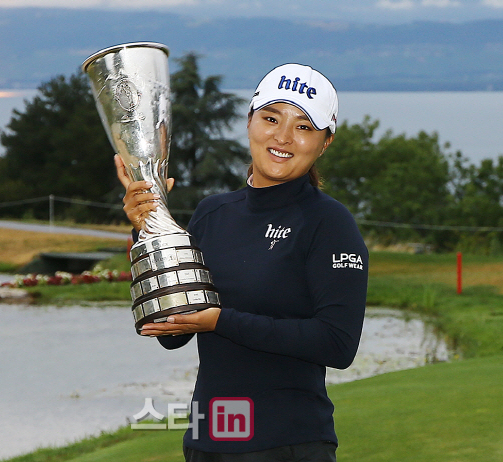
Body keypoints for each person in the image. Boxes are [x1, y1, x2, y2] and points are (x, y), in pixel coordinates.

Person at [115, 63, 368, 462]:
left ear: (325, 143)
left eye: (303, 127)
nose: (282, 136)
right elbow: (171, 333)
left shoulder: (329, 222)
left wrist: (220, 321)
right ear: (250, 121)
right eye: (271, 118)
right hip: (208, 441)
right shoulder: (213, 213)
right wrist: (148, 229)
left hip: (287, 444)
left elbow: (337, 345)